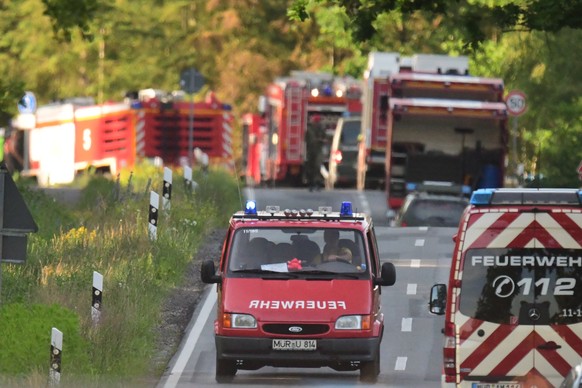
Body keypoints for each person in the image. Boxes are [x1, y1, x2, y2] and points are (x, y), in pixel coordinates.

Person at [304, 115, 326, 191]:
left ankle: (317, 183)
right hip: (310, 150)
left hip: (318, 150)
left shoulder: (321, 129)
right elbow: (306, 140)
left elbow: (324, 138)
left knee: (317, 166)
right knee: (310, 167)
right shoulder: (309, 129)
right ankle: (311, 183)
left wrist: (321, 140)